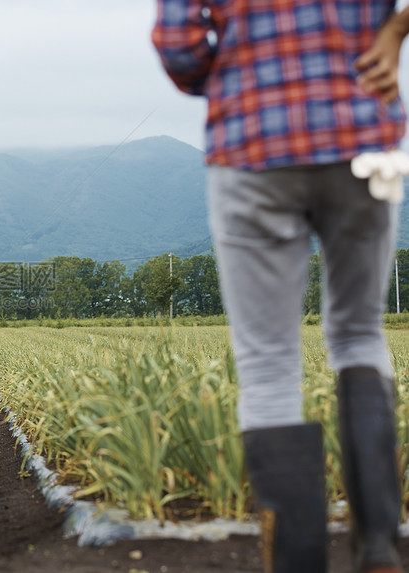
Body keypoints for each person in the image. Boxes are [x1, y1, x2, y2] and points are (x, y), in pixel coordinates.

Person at [153, 2, 409, 572]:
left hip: (253, 143)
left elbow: (178, 44)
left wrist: (234, 66)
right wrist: (395, 29)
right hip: (362, 132)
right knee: (360, 335)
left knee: (269, 364)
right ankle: (378, 549)